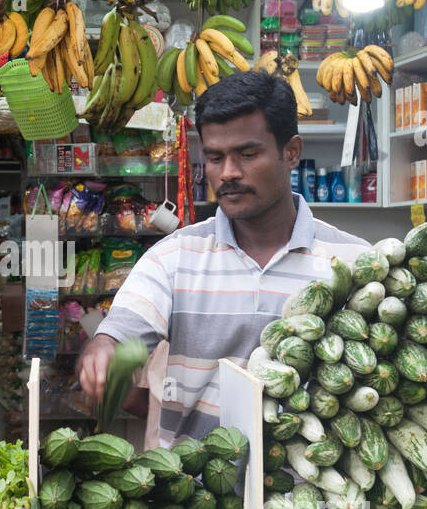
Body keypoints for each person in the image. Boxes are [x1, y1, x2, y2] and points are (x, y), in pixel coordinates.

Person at [77, 70, 371, 444]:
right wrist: (103, 350)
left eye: (248, 154)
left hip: (308, 494)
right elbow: (123, 329)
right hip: (191, 493)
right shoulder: (173, 258)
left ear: (291, 151)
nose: (228, 173)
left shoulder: (353, 262)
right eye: (215, 158)